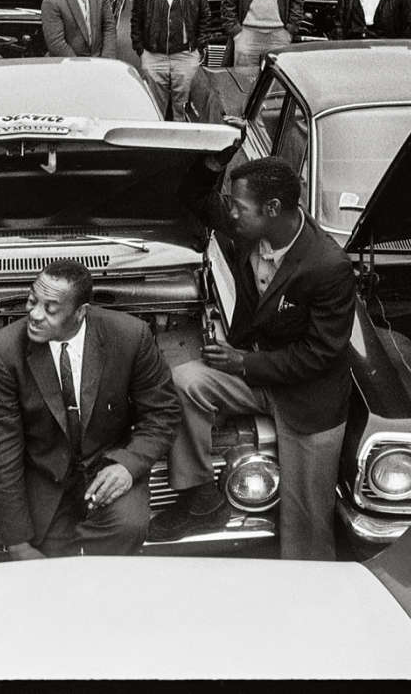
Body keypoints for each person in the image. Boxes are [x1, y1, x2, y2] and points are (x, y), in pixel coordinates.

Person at [149, 157, 355, 561]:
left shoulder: (328, 267)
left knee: (307, 525)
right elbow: (194, 197)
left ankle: (308, 594)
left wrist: (242, 363)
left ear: (273, 209)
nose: (232, 213)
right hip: (255, 373)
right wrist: (211, 162)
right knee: (183, 381)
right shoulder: (248, 229)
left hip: (307, 398)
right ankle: (201, 498)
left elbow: (321, 354)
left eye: (239, 206)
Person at [0, 261, 181, 559]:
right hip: (42, 476)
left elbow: (162, 412)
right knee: (49, 574)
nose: (34, 315)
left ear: (80, 312)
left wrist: (128, 465)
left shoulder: (130, 335)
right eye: (33, 300)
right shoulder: (2, 350)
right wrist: (18, 542)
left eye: (50, 308)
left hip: (107, 463)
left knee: (129, 527)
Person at [129, 0, 209, 121]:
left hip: (185, 56)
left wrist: (197, 48)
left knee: (183, 107)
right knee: (155, 108)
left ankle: (181, 144)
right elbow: (135, 20)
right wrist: (141, 50)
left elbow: (205, 17)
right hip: (154, 57)